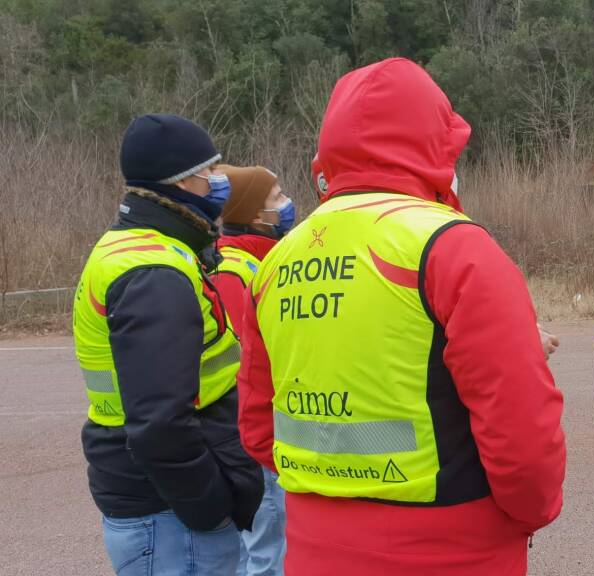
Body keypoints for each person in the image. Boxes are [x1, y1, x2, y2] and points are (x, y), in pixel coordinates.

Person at [236, 57, 566, 576]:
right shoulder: (455, 248)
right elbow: (521, 438)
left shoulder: (276, 261)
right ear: (438, 147)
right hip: (453, 548)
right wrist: (532, 514)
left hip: (313, 546)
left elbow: (258, 429)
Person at [73, 114, 264, 575]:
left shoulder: (141, 248)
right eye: (211, 171)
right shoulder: (153, 271)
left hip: (159, 507)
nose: (220, 182)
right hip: (173, 518)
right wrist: (210, 506)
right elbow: (159, 423)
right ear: (181, 182)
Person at [208, 165, 294, 576]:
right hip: (251, 428)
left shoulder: (265, 261)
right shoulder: (234, 269)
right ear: (255, 215)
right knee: (267, 549)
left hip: (264, 424)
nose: (287, 203)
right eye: (276, 197)